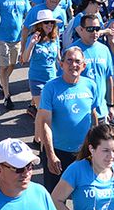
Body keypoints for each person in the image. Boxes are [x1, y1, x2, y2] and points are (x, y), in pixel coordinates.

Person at [36, 46, 99, 192]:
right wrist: (51, 155)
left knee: (84, 193)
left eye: (77, 61)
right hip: (58, 152)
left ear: (83, 66)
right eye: (69, 61)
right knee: (55, 196)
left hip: (83, 152)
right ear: (61, 64)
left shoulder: (90, 85)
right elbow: (45, 123)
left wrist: (95, 147)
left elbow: (93, 115)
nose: (73, 65)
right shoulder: (50, 88)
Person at [70, 13, 114, 124]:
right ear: (81, 29)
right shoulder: (73, 51)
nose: (95, 32)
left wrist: (110, 105)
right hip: (80, 113)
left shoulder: (104, 50)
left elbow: (108, 79)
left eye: (97, 29)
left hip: (102, 111)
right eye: (90, 29)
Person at [21, 9, 60, 117]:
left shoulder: (55, 38)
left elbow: (59, 57)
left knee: (52, 109)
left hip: (52, 78)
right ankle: (41, 132)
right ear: (40, 25)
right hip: (37, 79)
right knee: (43, 112)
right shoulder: (33, 37)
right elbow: (25, 59)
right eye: (46, 22)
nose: (49, 25)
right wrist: (31, 44)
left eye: (52, 22)